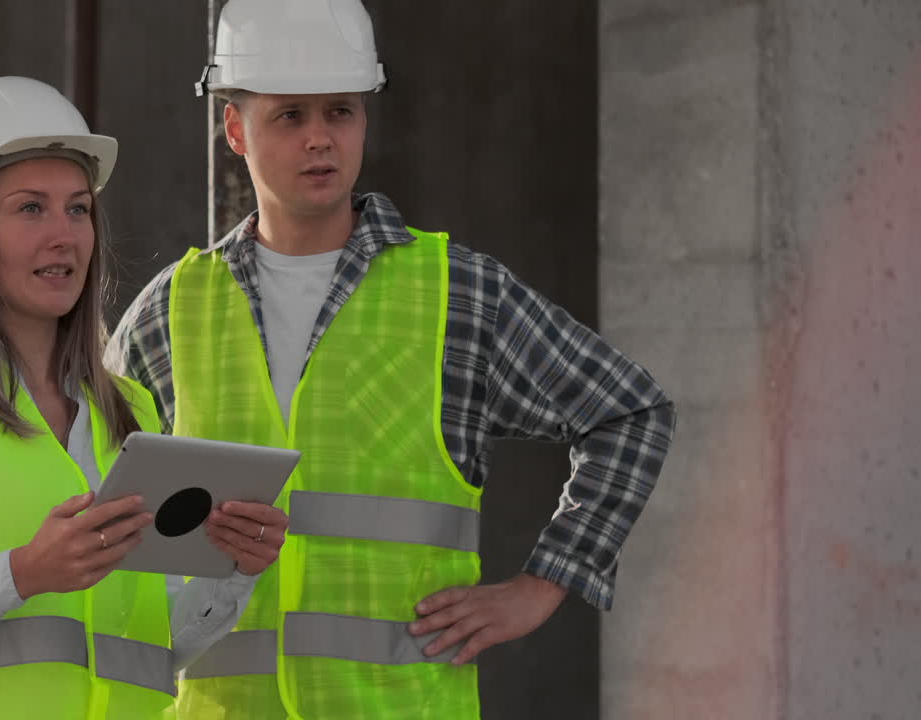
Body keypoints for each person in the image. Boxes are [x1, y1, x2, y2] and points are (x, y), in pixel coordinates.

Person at [105, 1, 676, 718]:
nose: (320, 139)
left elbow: (631, 413)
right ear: (234, 129)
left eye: (340, 112)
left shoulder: (457, 295)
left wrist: (541, 586)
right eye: (290, 116)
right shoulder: (169, 314)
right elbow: (102, 521)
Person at [0, 76, 288, 720]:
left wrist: (234, 570)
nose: (64, 235)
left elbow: (147, 651)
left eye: (77, 208)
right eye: (30, 208)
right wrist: (22, 573)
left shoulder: (128, 408)